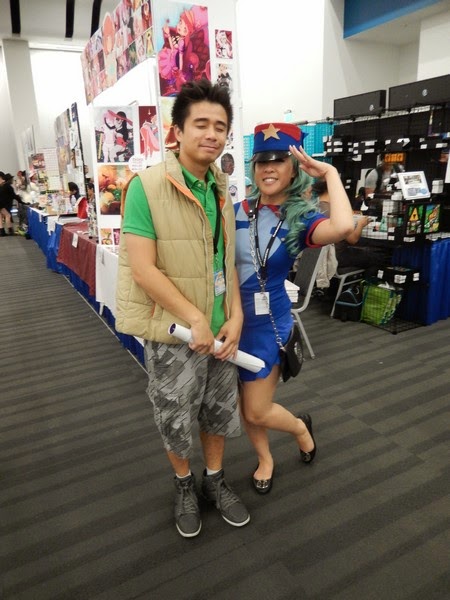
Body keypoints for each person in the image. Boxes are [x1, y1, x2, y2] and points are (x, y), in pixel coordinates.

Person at [115, 79, 249, 538]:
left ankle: (214, 479)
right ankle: (184, 484)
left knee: (218, 410)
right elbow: (142, 269)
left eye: (221, 126)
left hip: (221, 330)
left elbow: (225, 262)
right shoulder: (146, 187)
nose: (212, 134)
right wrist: (194, 319)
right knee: (174, 413)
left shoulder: (221, 187)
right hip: (176, 332)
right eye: (201, 124)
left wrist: (235, 315)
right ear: (177, 131)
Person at [234, 122, 354, 494]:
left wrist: (330, 172)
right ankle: (265, 459)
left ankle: (301, 428)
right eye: (262, 162)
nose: (268, 168)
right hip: (230, 322)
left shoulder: (301, 218)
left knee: (256, 408)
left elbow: (344, 226)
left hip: (267, 326)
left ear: (294, 168)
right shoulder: (235, 211)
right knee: (244, 404)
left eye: (279, 161)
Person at [314, 179, 390, 275]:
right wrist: (360, 224)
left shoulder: (313, 208)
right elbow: (353, 239)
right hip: (336, 256)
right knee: (378, 257)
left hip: (315, 259)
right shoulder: (336, 212)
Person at [0, 172, 22, 236]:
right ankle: (9, 230)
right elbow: (13, 195)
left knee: (1, 216)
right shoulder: (5, 185)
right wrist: (21, 201)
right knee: (8, 215)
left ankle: (2, 231)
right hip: (1, 204)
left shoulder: (3, 185)